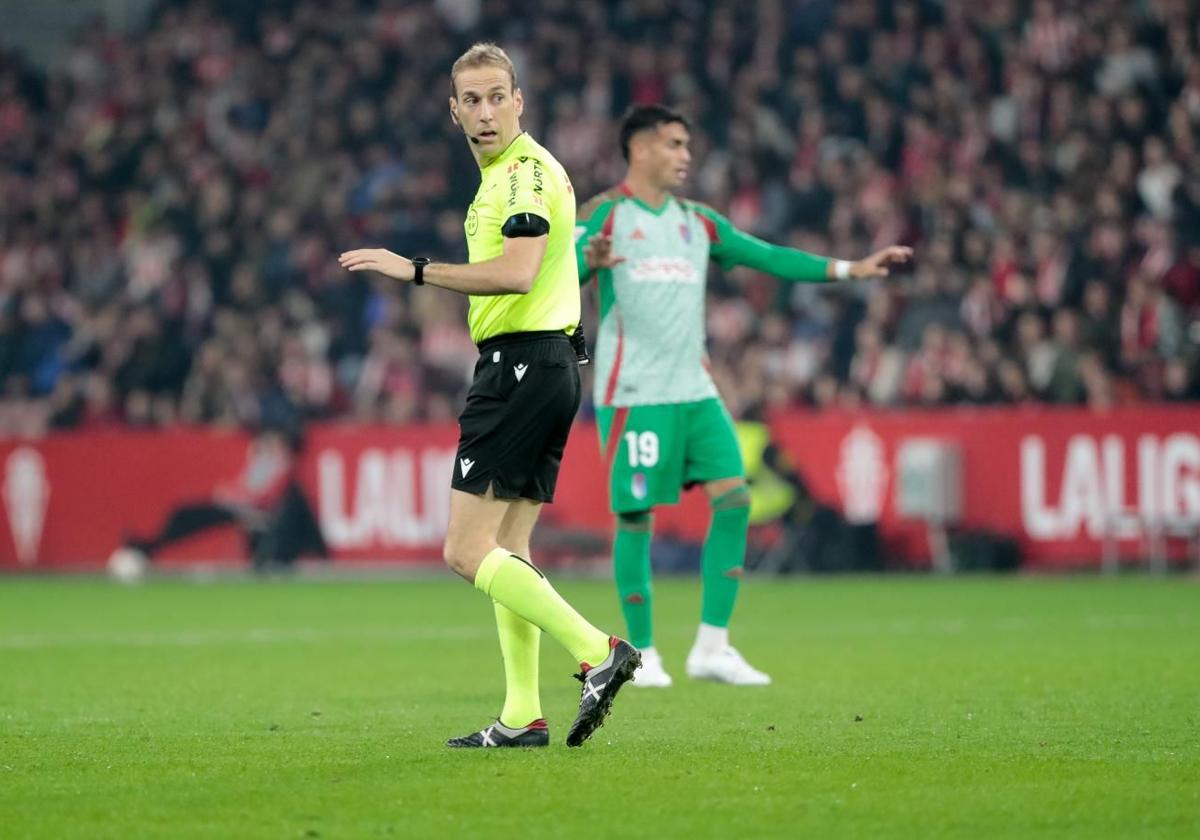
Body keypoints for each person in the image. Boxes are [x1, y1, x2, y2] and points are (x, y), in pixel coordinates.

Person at [338, 43, 639, 749]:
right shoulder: (513, 174)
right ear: (454, 111)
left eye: (496, 96)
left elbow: (517, 272)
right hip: (552, 362)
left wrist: (411, 269)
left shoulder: (522, 177)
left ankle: (598, 651)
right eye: (470, 100)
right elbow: (552, 271)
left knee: (465, 551)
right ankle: (521, 715)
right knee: (511, 547)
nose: (484, 111)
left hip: (522, 368)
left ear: (519, 100)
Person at [576, 105, 911, 687]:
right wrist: (586, 260)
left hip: (695, 388)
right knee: (636, 518)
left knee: (734, 498)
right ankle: (643, 655)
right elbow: (551, 272)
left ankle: (712, 646)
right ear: (641, 148)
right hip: (635, 392)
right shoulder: (606, 214)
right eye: (675, 144)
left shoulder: (697, 222)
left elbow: (769, 256)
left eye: (687, 145)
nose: (686, 155)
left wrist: (848, 270)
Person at [106, 426, 326, 580]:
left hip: (249, 511)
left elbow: (264, 497)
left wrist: (232, 496)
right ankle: (149, 544)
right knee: (185, 513)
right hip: (238, 507)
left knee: (191, 515)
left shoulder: (280, 465)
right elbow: (246, 487)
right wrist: (230, 493)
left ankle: (148, 546)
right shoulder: (263, 463)